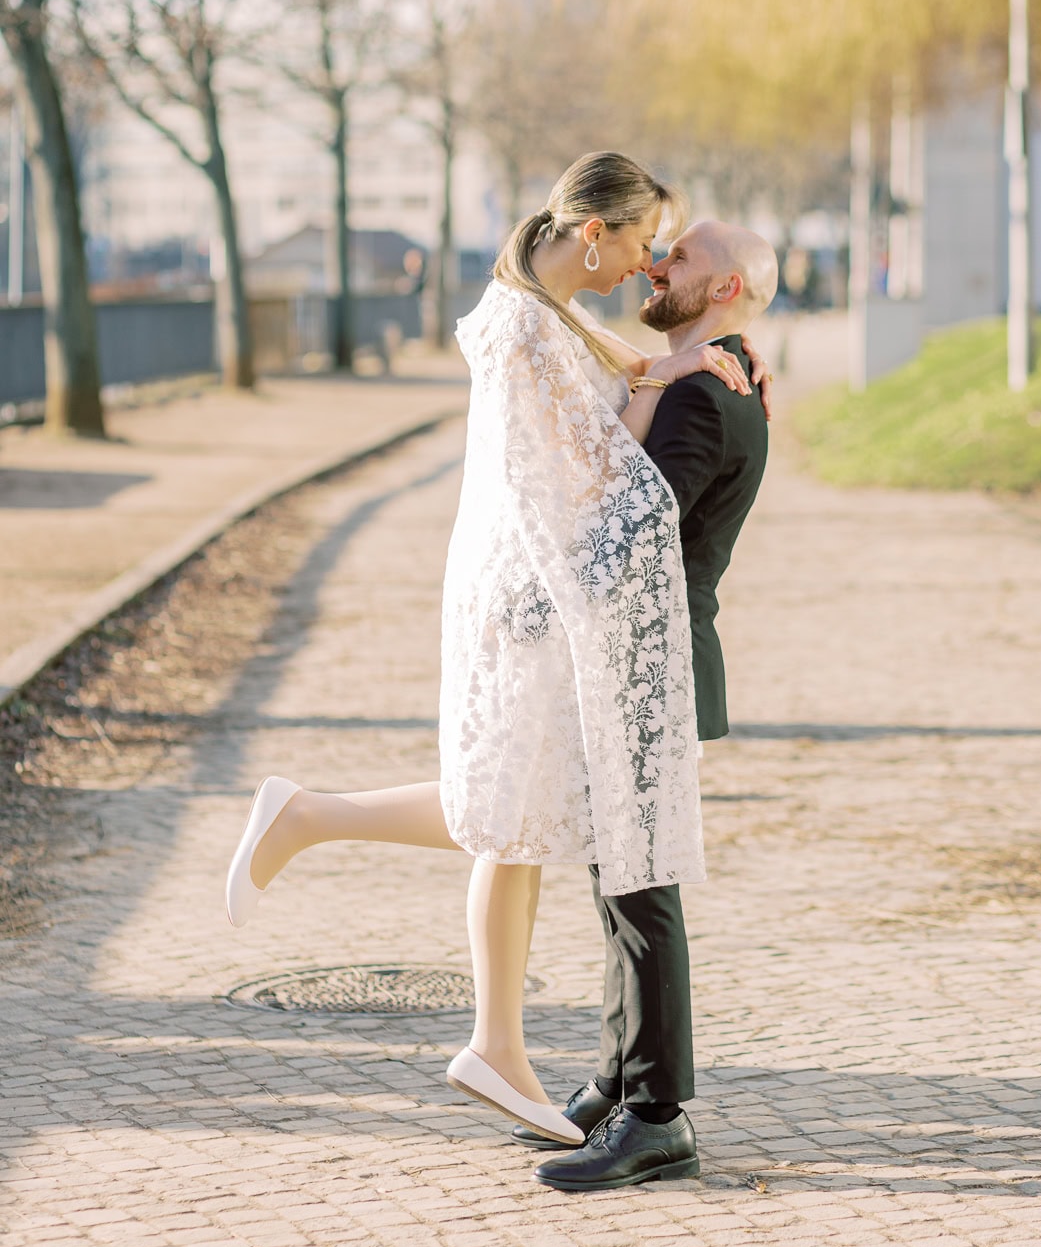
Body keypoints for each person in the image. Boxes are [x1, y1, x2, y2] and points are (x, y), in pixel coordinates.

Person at [224, 154, 773, 1150]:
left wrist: (700, 362)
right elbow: (596, 477)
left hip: (538, 591)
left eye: (668, 252)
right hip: (532, 596)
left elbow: (628, 373)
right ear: (597, 232)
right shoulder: (527, 324)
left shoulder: (545, 312)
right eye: (645, 242)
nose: (645, 266)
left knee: (516, 804)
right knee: (517, 808)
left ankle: (319, 831)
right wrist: (695, 380)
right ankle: (509, 1050)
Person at [515, 219, 779, 1192]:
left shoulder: (703, 396)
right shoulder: (721, 372)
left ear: (726, 287)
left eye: (685, 259)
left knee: (641, 888)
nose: (659, 264)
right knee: (620, 882)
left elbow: (628, 534)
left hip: (647, 661)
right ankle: (620, 1079)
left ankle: (657, 1115)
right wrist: (655, 376)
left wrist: (532, 589)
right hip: (646, 660)